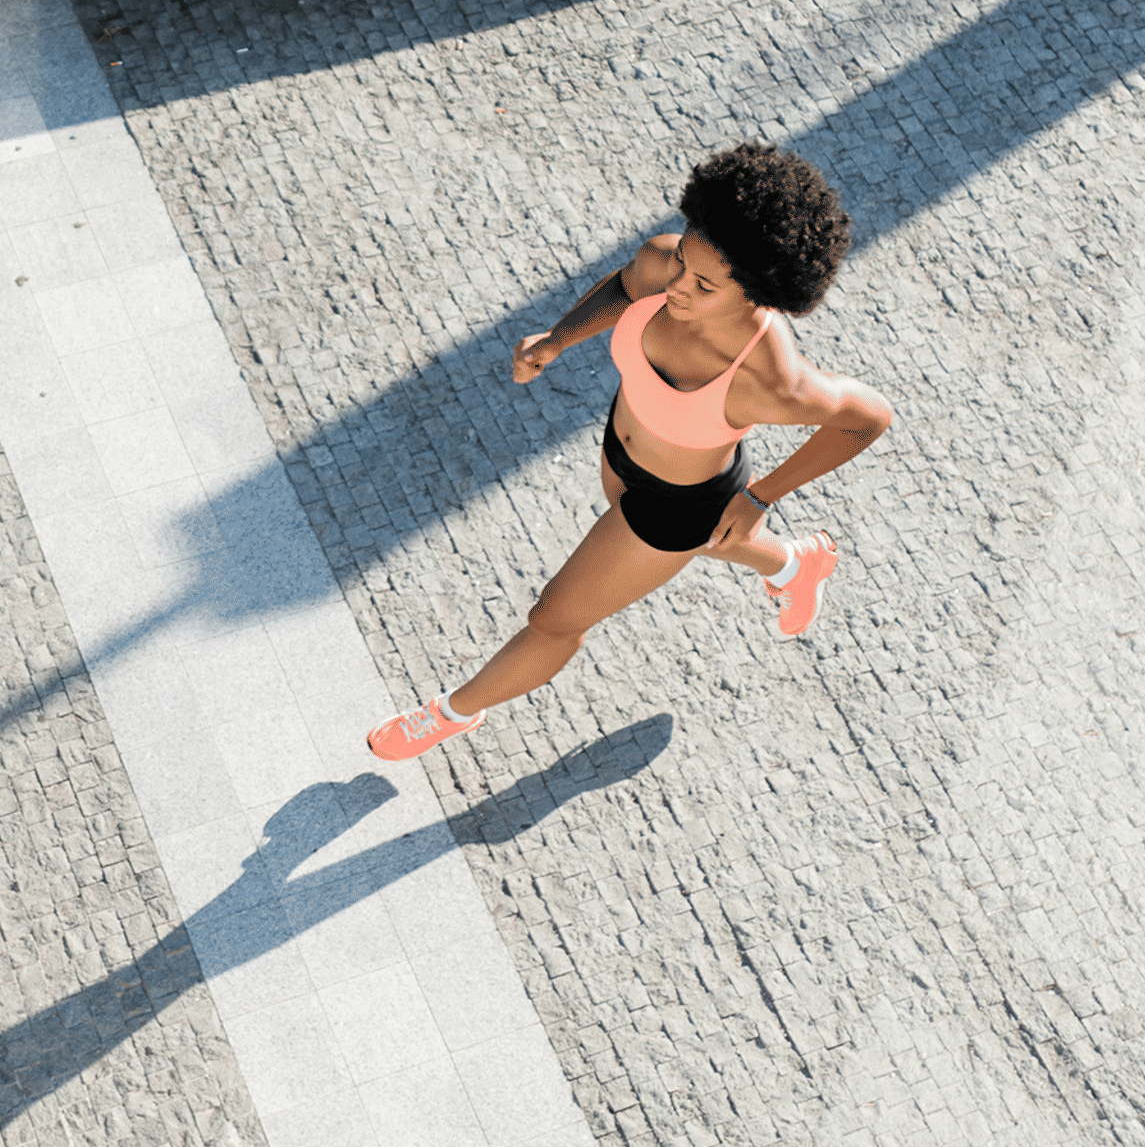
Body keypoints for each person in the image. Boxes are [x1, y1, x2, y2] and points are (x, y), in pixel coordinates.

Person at [369, 144, 894, 762]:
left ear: (758, 291)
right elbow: (624, 286)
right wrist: (559, 338)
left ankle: (451, 713)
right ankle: (793, 565)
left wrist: (759, 496)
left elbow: (867, 419)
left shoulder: (769, 379)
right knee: (702, 543)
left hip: (679, 507)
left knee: (556, 617)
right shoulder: (662, 265)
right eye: (682, 264)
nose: (677, 285)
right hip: (620, 460)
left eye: (704, 284)